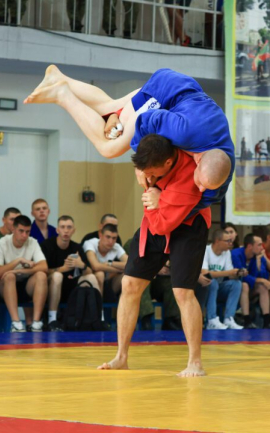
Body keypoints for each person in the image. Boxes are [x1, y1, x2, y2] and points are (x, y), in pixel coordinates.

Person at [24, 66, 234, 211]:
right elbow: (146, 120)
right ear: (199, 162)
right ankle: (62, 94)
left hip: (182, 89)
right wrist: (142, 164)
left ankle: (58, 77)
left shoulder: (224, 162)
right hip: (164, 92)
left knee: (108, 108)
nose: (201, 187)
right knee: (110, 147)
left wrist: (173, 204)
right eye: (201, 182)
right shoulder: (185, 132)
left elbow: (207, 197)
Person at [98, 134, 212, 377]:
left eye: (151, 172)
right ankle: (121, 357)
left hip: (189, 224)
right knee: (130, 284)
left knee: (182, 291)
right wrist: (145, 179)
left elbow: (165, 223)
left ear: (168, 163)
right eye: (145, 171)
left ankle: (195, 361)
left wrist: (162, 199)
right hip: (156, 219)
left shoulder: (192, 172)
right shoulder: (151, 157)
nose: (148, 177)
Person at [40, 215, 98, 331]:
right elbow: (42, 271)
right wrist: (63, 268)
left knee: (91, 277)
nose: (66, 230)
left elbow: (90, 271)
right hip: (51, 287)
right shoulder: (46, 245)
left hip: (71, 287)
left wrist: (81, 265)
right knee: (57, 276)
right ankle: (52, 319)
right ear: (57, 230)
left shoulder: (77, 247)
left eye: (69, 227)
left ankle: (98, 319)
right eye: (62, 227)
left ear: (73, 230)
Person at [0, 215, 48, 332]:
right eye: (21, 231)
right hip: (4, 287)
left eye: (27, 232)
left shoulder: (33, 242)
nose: (24, 235)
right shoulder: (2, 243)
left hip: (25, 286)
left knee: (41, 276)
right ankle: (16, 323)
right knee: (10, 276)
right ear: (13, 229)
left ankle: (36, 322)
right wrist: (18, 261)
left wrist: (21, 270)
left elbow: (44, 267)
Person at [231, 234, 270, 329]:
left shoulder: (259, 256)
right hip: (236, 290)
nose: (262, 247)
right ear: (250, 246)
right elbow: (240, 276)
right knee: (245, 285)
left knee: (263, 287)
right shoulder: (235, 254)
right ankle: (247, 321)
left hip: (251, 290)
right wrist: (259, 280)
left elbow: (265, 276)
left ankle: (267, 321)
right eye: (259, 245)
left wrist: (258, 264)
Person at [201, 229, 243, 330]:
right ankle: (211, 320)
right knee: (212, 282)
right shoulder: (205, 250)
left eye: (230, 241)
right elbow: (205, 274)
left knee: (236, 284)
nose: (230, 243)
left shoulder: (227, 253)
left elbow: (230, 275)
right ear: (217, 241)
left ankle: (229, 318)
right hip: (203, 289)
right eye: (227, 241)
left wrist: (238, 273)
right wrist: (228, 273)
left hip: (218, 288)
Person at [84, 224, 127, 300]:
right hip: (90, 280)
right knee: (100, 274)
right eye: (108, 237)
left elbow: (129, 264)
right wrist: (119, 270)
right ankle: (98, 306)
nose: (111, 241)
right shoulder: (90, 243)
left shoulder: (116, 247)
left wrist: (110, 263)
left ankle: (123, 306)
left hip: (109, 282)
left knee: (127, 275)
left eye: (114, 238)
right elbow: (95, 266)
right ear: (100, 235)